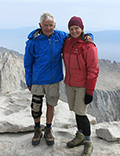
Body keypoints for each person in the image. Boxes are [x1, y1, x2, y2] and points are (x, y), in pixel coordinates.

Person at [24, 12, 93, 146]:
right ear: (40, 25)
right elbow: (27, 63)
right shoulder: (33, 41)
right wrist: (29, 80)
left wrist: (90, 36)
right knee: (36, 107)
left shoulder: (60, 36)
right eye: (45, 25)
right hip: (38, 79)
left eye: (51, 25)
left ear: (54, 25)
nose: (48, 28)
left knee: (51, 105)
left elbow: (77, 34)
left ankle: (48, 129)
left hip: (53, 79)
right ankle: (37, 129)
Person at [63, 16, 99, 156]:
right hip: (70, 84)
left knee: (81, 113)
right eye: (71, 29)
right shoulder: (67, 42)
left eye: (76, 28)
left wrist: (89, 91)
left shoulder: (89, 46)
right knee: (76, 111)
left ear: (82, 28)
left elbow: (93, 70)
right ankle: (80, 134)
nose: (74, 31)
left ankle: (88, 141)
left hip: (82, 86)